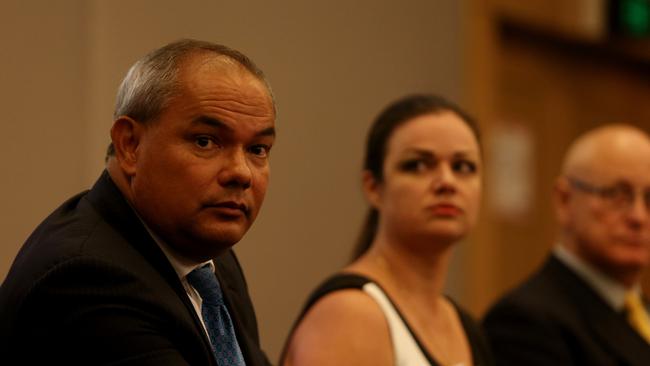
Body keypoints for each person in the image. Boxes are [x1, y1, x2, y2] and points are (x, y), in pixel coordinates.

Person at [0, 39, 276, 365]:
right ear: (130, 145)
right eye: (206, 141)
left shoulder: (211, 260)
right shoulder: (87, 279)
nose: (241, 173)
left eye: (257, 149)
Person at [281, 94, 494, 366]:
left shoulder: (466, 326)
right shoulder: (350, 313)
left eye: (463, 167)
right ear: (373, 187)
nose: (446, 182)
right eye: (418, 165)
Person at [483, 124, 650, 365]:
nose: (639, 217)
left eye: (649, 198)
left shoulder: (638, 311)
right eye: (616, 195)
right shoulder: (525, 322)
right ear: (564, 201)